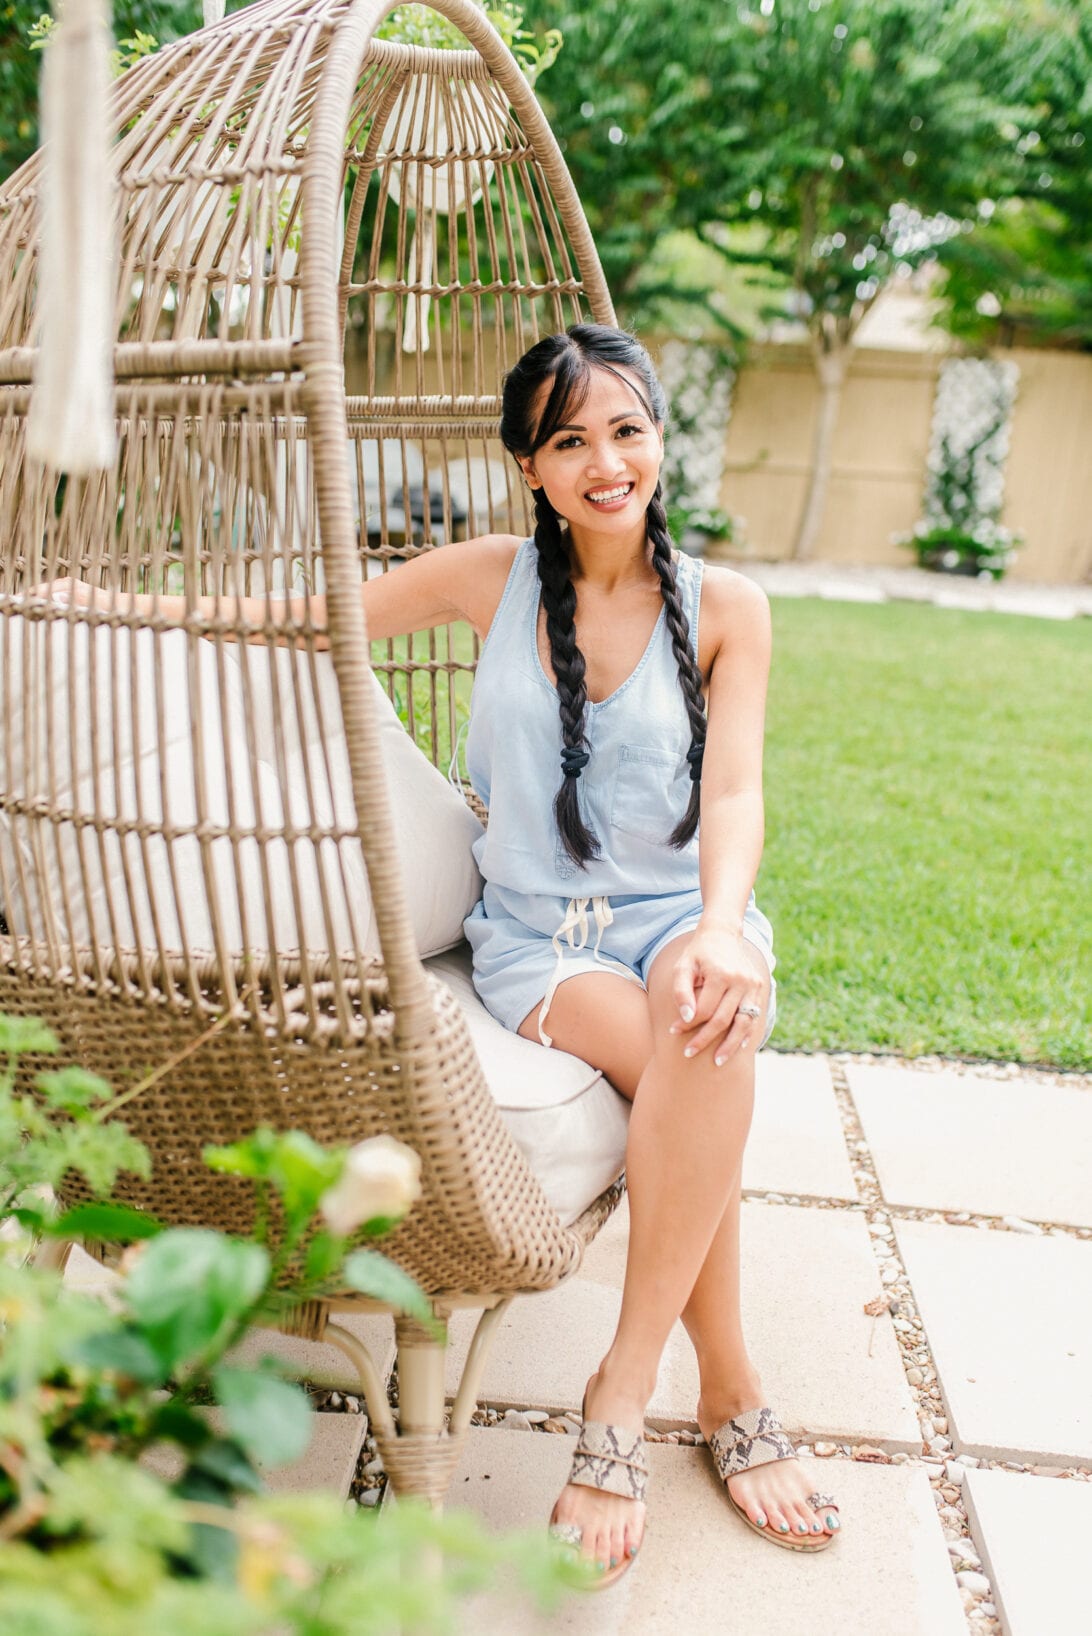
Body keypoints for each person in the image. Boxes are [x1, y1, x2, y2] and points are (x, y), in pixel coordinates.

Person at [49, 322, 840, 1581]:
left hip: (681, 920)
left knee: (706, 1016)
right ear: (529, 465)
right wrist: (129, 610)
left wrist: (716, 926)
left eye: (627, 429)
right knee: (701, 1059)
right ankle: (694, 1392)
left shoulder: (729, 606)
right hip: (545, 944)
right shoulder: (492, 578)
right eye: (569, 439)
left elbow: (733, 796)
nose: (605, 461)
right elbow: (306, 616)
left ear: (658, 440)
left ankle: (641, 1390)